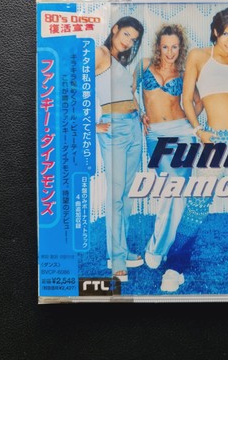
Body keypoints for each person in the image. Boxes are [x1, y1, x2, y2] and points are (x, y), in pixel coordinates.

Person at [160, 7, 228, 292]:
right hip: (214, 137)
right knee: (198, 200)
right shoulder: (199, 56)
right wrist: (198, 130)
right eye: (226, 34)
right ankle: (175, 266)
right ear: (216, 32)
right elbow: (186, 99)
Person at [136, 24, 202, 269]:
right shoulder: (144, 66)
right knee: (169, 190)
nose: (170, 52)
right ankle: (164, 247)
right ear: (158, 47)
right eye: (165, 47)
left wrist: (190, 125)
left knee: (176, 193)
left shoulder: (184, 73)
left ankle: (160, 249)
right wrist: (139, 113)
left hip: (182, 134)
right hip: (156, 134)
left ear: (180, 48)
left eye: (175, 47)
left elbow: (198, 102)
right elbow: (129, 92)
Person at [95, 16, 144, 281]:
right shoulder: (100, 53)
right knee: (116, 195)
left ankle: (120, 251)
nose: (128, 42)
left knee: (125, 194)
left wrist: (141, 113)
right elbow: (71, 85)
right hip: (114, 129)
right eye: (126, 35)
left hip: (134, 127)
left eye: (133, 40)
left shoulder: (120, 63)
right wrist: (91, 124)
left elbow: (128, 94)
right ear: (114, 29)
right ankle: (116, 261)